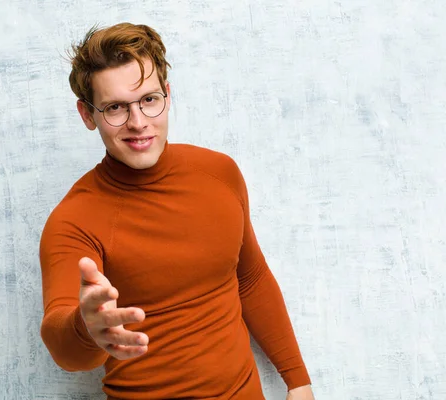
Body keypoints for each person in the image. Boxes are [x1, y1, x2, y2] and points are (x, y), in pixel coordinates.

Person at [39, 22, 314, 400]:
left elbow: (250, 279)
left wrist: (298, 380)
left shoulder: (220, 174)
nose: (138, 123)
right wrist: (86, 329)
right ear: (88, 116)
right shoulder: (74, 220)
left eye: (149, 100)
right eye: (115, 107)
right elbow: (61, 342)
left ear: (167, 95)